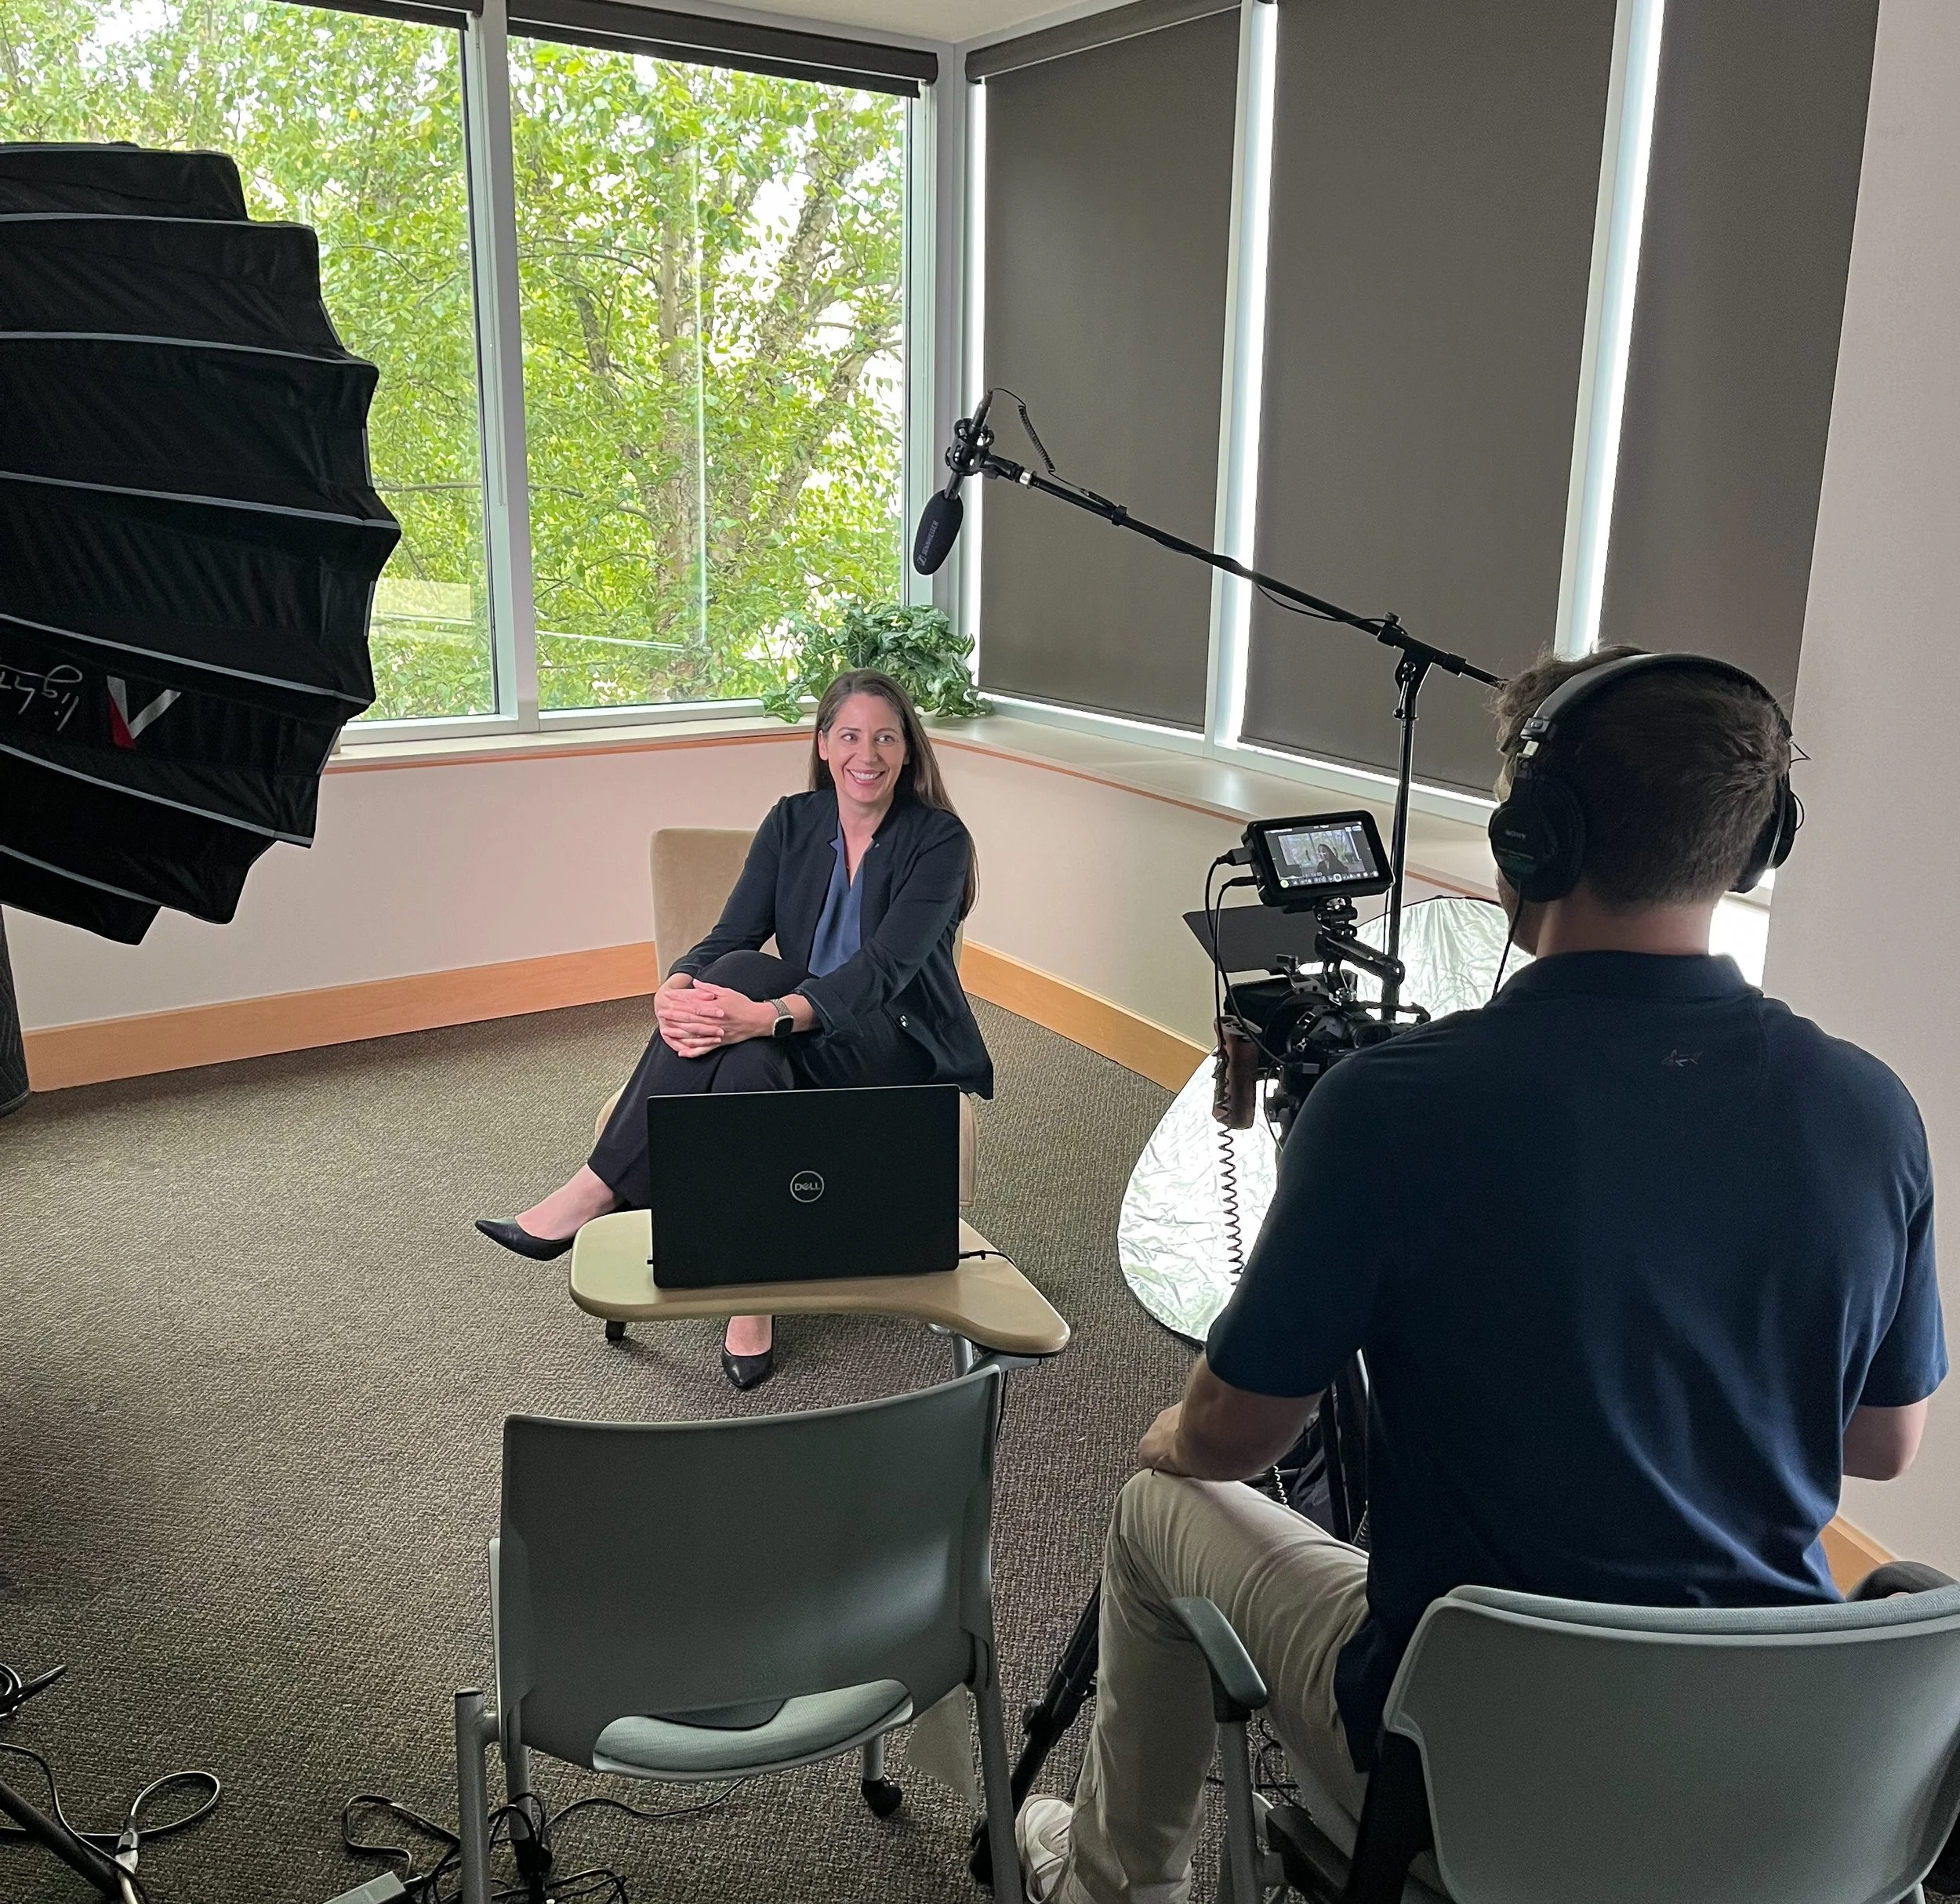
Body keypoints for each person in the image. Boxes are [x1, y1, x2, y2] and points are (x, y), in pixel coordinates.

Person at [1015, 647, 1945, 1904]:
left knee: (1154, 1508)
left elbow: (1238, 1435)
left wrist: (1173, 1434)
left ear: (1530, 836)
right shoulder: (1872, 1112)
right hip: (1774, 1757)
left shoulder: (1392, 1108)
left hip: (1464, 1754)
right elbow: (1885, 1445)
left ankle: (1115, 1883)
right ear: (1754, 843)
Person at [475, 669, 993, 1390]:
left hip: (894, 1045)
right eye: (849, 735)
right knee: (746, 1036)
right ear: (822, 743)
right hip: (802, 1037)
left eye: (884, 737)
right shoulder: (793, 821)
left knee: (751, 984)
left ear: (908, 752)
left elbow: (883, 970)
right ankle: (752, 1292)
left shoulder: (939, 840)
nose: (865, 754)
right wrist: (676, 987)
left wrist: (765, 1015)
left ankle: (599, 1185)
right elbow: (728, 933)